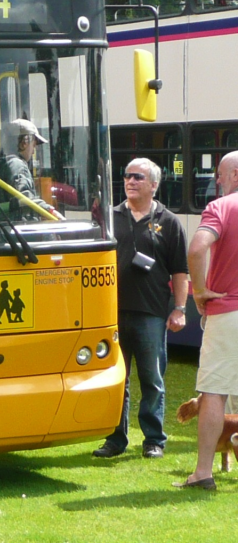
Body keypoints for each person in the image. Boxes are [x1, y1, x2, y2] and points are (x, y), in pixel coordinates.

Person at [93, 158, 188, 460]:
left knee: (152, 380)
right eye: (126, 176)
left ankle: (153, 440)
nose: (130, 181)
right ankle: (115, 439)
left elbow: (179, 271)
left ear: (154, 184)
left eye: (137, 177)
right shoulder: (109, 217)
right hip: (112, 315)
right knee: (115, 379)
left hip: (151, 313)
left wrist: (180, 309)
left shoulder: (169, 221)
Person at [174, 150, 238, 490]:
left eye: (221, 174)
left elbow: (197, 249)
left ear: (236, 175)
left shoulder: (222, 208)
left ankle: (203, 473)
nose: (217, 180)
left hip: (229, 312)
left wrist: (199, 290)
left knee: (213, 392)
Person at [0, 118, 63, 219]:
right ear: (24, 143)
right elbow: (24, 199)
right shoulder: (17, 166)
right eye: (33, 146)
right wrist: (50, 211)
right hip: (17, 227)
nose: (33, 152)